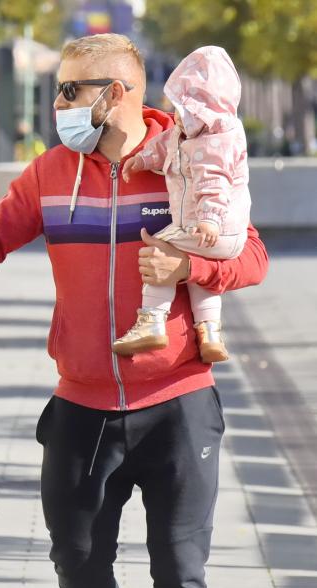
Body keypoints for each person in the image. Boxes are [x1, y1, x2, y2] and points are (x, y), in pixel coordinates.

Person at [0, 34, 267, 588]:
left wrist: (191, 263)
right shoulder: (51, 173)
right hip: (81, 404)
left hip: (178, 402)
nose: (60, 105)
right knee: (74, 559)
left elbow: (251, 254)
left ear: (123, 92)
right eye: (58, 91)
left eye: (73, 91)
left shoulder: (188, 158)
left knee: (183, 570)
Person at [113, 46, 251, 363]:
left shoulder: (214, 141)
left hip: (215, 227)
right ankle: (210, 331)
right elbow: (164, 147)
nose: (176, 115)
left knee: (159, 249)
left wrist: (210, 220)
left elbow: (214, 182)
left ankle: (151, 320)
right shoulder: (187, 133)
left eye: (182, 107)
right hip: (219, 234)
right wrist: (142, 160)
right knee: (200, 276)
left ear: (201, 108)